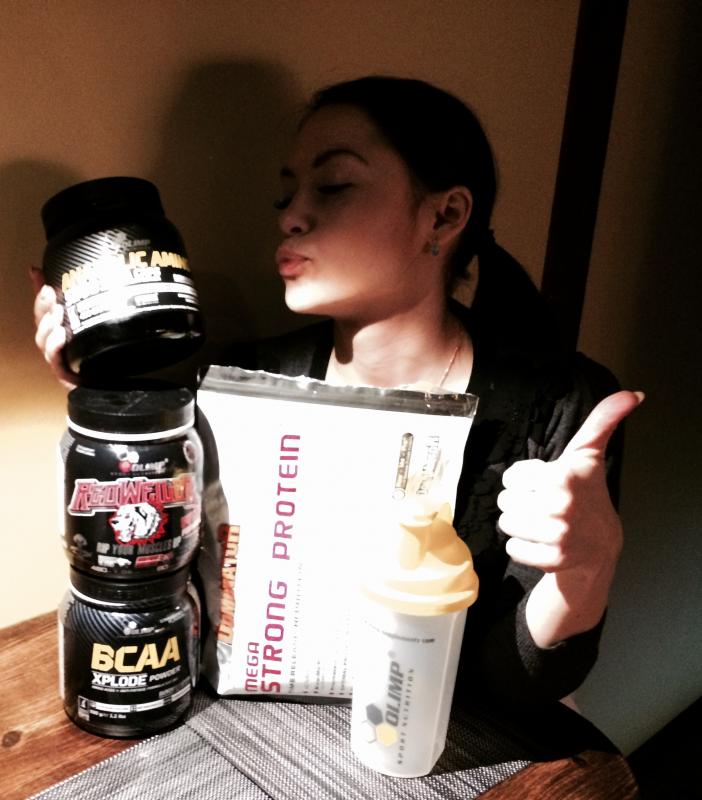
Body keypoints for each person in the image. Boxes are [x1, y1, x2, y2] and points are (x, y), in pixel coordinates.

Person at [33, 75, 643, 706]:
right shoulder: (243, 388)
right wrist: (98, 390)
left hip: (453, 739)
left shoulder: (562, 404)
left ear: (444, 215)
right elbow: (160, 577)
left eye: (333, 185)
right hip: (256, 729)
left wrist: (588, 568)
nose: (290, 216)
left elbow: (515, 683)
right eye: (285, 195)